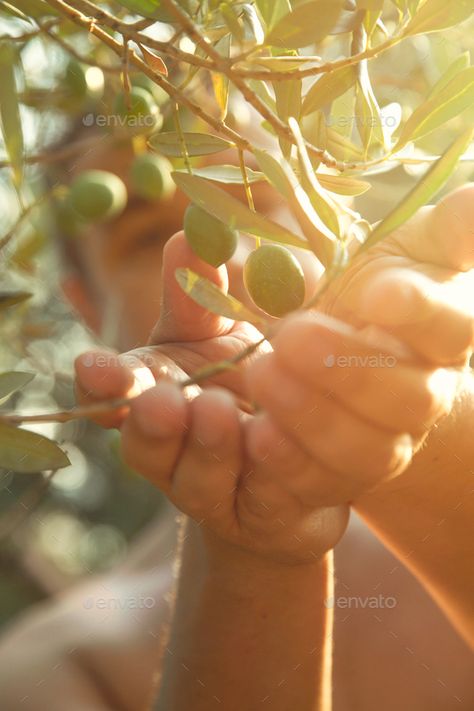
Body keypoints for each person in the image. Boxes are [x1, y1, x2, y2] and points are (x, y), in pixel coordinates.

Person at [0, 133, 472, 710]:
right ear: (89, 306)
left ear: (335, 219)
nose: (233, 257)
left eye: (259, 200)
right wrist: (252, 562)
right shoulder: (58, 669)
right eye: (150, 237)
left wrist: (426, 436)